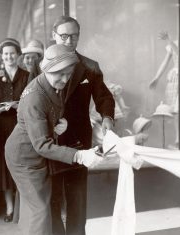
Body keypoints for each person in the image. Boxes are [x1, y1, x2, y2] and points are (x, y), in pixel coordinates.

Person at [5, 44, 104, 235]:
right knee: (40, 211)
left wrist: (60, 123)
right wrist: (80, 156)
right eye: (60, 74)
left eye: (68, 74)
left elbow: (50, 113)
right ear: (46, 69)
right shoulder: (35, 97)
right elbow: (42, 145)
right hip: (24, 158)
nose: (65, 79)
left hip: (35, 154)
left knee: (37, 208)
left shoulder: (51, 84)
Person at [50, 16, 115, 235]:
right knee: (51, 196)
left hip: (79, 140)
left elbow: (104, 97)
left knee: (77, 195)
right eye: (64, 36)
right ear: (54, 36)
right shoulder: (43, 65)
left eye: (74, 36)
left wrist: (107, 117)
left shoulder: (89, 67)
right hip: (50, 140)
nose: (69, 41)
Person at [0, 38, 29, 223]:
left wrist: (17, 104)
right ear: (1, 56)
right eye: (5, 54)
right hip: (1, 127)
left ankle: (22, 207)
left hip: (20, 124)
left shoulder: (27, 75)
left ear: (18, 55)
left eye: (12, 53)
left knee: (22, 164)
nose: (9, 57)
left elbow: (31, 100)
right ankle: (10, 207)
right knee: (4, 167)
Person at [149, 31, 179, 148]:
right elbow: (164, 63)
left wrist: (169, 40)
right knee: (175, 111)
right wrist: (156, 78)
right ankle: (178, 139)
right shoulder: (174, 44)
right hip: (175, 79)